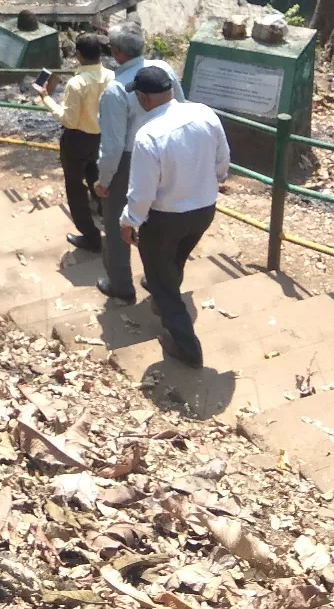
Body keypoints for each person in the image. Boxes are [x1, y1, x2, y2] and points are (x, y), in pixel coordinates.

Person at [120, 66, 230, 368]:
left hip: (165, 217)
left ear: (143, 98)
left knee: (162, 280)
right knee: (174, 259)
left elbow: (142, 192)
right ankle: (161, 294)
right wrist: (218, 179)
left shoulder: (148, 136)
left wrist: (129, 221)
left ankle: (187, 347)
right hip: (204, 210)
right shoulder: (205, 113)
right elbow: (223, 159)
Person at [93, 21, 183, 304]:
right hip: (168, 150)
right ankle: (158, 279)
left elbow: (113, 146)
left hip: (129, 160)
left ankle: (121, 283)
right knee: (158, 218)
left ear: (116, 52)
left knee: (117, 220)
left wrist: (103, 181)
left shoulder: (116, 90)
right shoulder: (164, 69)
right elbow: (181, 106)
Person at [33, 34, 113, 253]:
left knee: (75, 188)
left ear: (78, 55)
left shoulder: (76, 84)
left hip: (77, 140)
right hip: (100, 138)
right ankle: (109, 221)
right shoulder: (111, 76)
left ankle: (90, 235)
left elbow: (69, 119)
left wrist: (45, 98)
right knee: (96, 178)